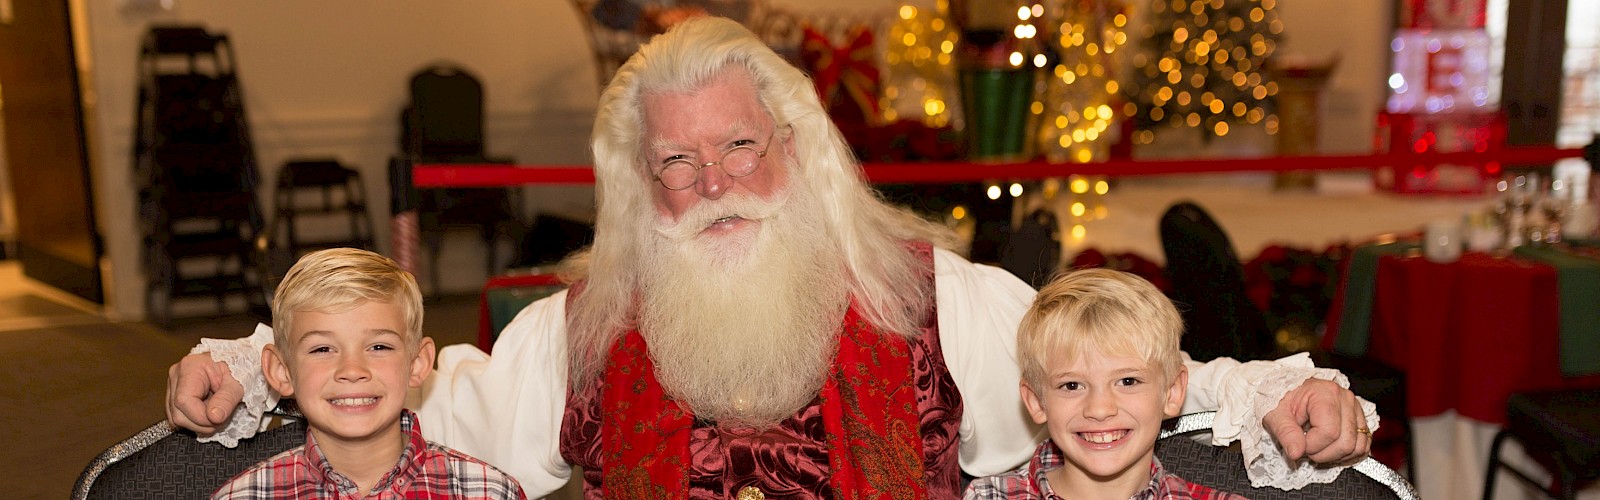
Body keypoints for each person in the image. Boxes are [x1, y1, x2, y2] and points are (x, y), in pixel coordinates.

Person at [169, 18, 1372, 498]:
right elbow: (394, 389)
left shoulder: (935, 297)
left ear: (797, 146)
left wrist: (1279, 389)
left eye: (737, 147)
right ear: (638, 186)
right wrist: (250, 358)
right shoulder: (579, 325)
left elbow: (1120, 377)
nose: (709, 189)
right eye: (675, 166)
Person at [967, 269, 1336, 498]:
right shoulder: (989, 497)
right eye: (1072, 386)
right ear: (1035, 401)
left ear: (1173, 393)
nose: (1099, 409)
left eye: (1127, 381)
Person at [210, 249, 525, 499]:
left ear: (417, 363)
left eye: (378, 347)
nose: (352, 370)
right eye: (322, 349)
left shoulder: (488, 493)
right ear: (281, 371)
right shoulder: (245, 495)